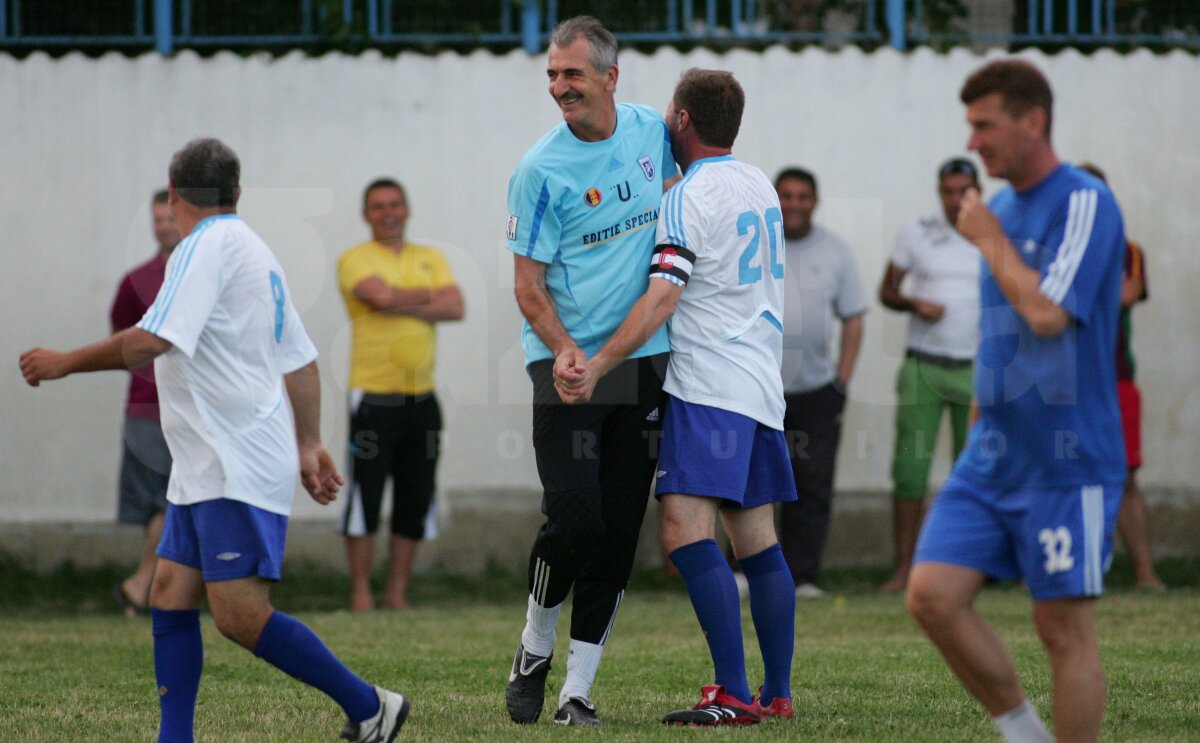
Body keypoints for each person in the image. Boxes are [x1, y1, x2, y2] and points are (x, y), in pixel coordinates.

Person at [20, 138, 410, 743]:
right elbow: (301, 359)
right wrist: (307, 443)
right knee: (170, 593)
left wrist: (66, 362)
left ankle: (369, 706)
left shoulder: (203, 249)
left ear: (173, 195)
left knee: (239, 616)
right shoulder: (253, 248)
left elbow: (154, 341)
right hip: (207, 465)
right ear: (237, 192)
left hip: (235, 463)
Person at [557, 67, 796, 726]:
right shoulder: (759, 184)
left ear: (683, 120)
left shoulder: (687, 196)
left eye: (669, 109)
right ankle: (776, 693)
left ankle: (732, 692)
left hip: (710, 383)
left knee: (683, 530)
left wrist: (602, 361)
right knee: (756, 539)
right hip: (759, 381)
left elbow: (664, 294)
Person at [906, 60, 1127, 743]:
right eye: (969, 126)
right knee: (932, 597)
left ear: (1034, 121)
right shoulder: (995, 211)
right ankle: (1027, 735)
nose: (973, 142)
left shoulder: (1084, 201)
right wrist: (976, 425)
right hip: (993, 457)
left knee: (1062, 630)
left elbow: (1049, 314)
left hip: (1068, 459)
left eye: (985, 125)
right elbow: (998, 333)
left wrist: (991, 241)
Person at [503, 15, 677, 727]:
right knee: (573, 517)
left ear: (610, 76)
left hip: (642, 363)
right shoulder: (538, 171)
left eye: (571, 74)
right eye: (551, 74)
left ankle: (577, 690)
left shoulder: (651, 132)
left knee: (617, 530)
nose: (558, 87)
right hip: (564, 367)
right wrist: (567, 349)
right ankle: (533, 645)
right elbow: (527, 285)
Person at [337, 178, 464, 612]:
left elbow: (457, 305)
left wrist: (397, 299)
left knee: (415, 495)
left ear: (406, 209)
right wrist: (428, 296)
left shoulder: (430, 256)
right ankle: (359, 594)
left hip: (422, 399)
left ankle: (396, 594)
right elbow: (376, 296)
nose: (388, 213)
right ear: (366, 214)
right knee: (364, 496)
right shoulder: (354, 259)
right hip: (372, 398)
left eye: (395, 204)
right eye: (378, 206)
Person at [876, 158, 981, 593]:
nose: (956, 199)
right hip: (924, 364)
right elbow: (887, 290)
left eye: (964, 190)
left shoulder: (998, 231)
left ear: (979, 190)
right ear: (939, 191)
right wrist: (915, 305)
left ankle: (969, 570)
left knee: (974, 471)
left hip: (977, 367)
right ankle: (905, 567)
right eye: (948, 191)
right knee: (911, 469)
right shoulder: (918, 229)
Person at [775, 167, 867, 597]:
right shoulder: (758, 245)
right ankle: (742, 571)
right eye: (787, 196)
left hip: (816, 392)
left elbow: (854, 317)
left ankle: (802, 576)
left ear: (814, 201)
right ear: (776, 199)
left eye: (802, 197)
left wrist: (841, 383)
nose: (794, 204)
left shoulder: (835, 251)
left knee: (811, 485)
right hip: (760, 389)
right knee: (749, 482)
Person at [1077, 162, 1165, 592]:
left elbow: (1123, 296)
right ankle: (1069, 570)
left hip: (1114, 381)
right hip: (1066, 385)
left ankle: (1145, 572)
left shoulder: (1126, 250)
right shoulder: (1053, 246)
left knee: (1125, 475)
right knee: (1063, 476)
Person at [109, 189, 181, 616]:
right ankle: (148, 587)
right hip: (147, 407)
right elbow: (121, 341)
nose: (164, 226)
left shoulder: (200, 272)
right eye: (157, 219)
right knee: (161, 500)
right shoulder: (136, 281)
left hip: (193, 408)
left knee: (177, 498)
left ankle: (145, 586)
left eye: (170, 217)